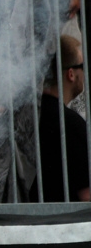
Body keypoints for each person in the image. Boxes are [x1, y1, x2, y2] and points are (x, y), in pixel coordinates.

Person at [30, 34, 90, 202]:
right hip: (66, 224)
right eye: (82, 66)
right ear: (71, 74)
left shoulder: (30, 116)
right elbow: (87, 195)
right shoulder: (71, 124)